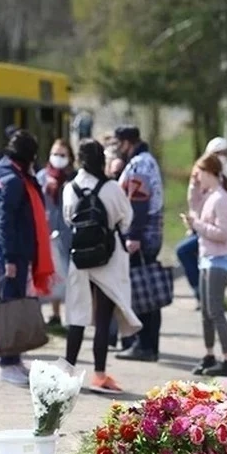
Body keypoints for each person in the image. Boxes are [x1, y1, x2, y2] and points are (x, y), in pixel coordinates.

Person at [62, 139, 142, 394]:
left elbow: (67, 219)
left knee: (77, 315)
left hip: (80, 258)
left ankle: (68, 373)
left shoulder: (70, 188)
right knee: (103, 318)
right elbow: (126, 219)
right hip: (107, 258)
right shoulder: (111, 188)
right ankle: (99, 375)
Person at [0, 129, 56, 386]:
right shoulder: (14, 181)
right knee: (11, 308)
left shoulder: (6, 174)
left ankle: (14, 361)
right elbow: (6, 223)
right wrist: (11, 260)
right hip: (11, 254)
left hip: (13, 251)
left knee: (14, 304)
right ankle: (6, 364)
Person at [182, 153, 227, 377]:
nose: (198, 178)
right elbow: (195, 206)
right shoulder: (209, 196)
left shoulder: (222, 199)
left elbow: (224, 234)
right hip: (207, 258)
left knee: (215, 310)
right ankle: (209, 355)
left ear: (210, 172)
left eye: (199, 174)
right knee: (206, 312)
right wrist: (192, 186)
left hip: (219, 260)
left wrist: (198, 226)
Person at [113, 125, 166, 362]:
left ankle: (145, 345)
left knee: (143, 290)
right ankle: (147, 345)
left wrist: (133, 235)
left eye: (119, 143)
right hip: (149, 233)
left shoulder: (139, 165)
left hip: (142, 235)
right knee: (147, 290)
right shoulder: (145, 160)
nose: (117, 149)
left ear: (127, 142)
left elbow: (139, 201)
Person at [36, 139, 76, 326]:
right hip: (48, 231)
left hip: (69, 232)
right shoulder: (42, 177)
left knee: (70, 275)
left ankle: (72, 316)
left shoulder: (74, 179)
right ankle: (55, 313)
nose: (58, 158)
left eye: (62, 155)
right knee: (53, 274)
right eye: (55, 154)